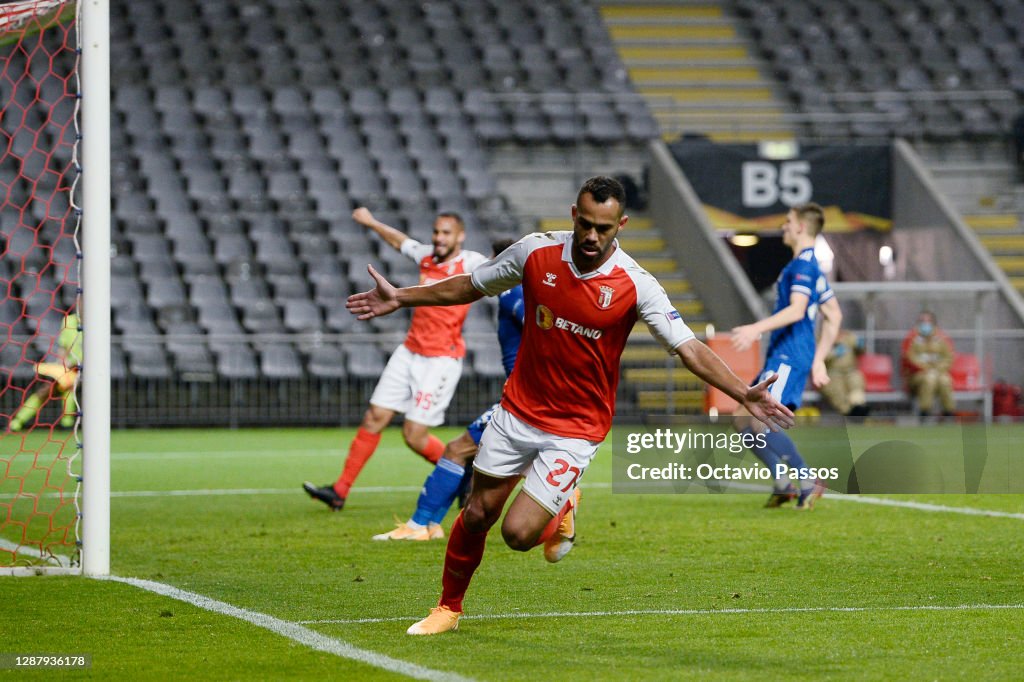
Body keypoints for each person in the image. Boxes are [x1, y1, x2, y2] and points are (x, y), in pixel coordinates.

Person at [346, 176, 795, 635]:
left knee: (518, 536)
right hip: (517, 410)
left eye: (605, 228)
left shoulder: (636, 284)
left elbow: (687, 345)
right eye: (586, 224)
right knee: (478, 512)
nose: (593, 237)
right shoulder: (534, 253)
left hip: (576, 429)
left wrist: (742, 392)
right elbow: (469, 286)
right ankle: (448, 609)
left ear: (620, 225)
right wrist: (401, 296)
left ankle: (563, 504)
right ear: (574, 215)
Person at [303, 208, 488, 511]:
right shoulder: (427, 256)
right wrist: (372, 222)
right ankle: (339, 491)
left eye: (446, 233)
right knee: (374, 417)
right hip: (409, 351)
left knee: (414, 436)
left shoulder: (471, 262)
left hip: (441, 360)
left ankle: (463, 468)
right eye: (436, 232)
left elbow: (503, 269)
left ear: (460, 236)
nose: (439, 238)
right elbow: (400, 241)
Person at [373, 239, 525, 542]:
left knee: (459, 452)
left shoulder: (512, 293)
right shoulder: (523, 291)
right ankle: (428, 526)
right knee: (464, 453)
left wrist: (528, 375)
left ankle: (420, 526)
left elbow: (543, 328)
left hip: (525, 399)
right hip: (523, 396)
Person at [731, 202, 842, 510]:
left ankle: (807, 481)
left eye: (788, 221)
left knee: (760, 422)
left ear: (801, 227)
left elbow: (796, 310)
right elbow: (833, 314)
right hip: (788, 354)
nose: (783, 226)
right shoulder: (808, 266)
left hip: (788, 356)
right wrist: (819, 358)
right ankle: (783, 484)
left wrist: (756, 328)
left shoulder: (804, 266)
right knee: (742, 418)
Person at [8, 313, 80, 432]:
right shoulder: (69, 320)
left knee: (60, 389)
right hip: (69, 368)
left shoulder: (96, 322)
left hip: (88, 369)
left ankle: (18, 421)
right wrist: (62, 364)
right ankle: (66, 423)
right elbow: (64, 346)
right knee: (49, 389)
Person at [900, 310, 955, 417]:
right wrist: (926, 368)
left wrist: (937, 369)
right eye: (922, 321)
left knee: (945, 380)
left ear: (933, 322)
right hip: (917, 375)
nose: (925, 323)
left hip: (938, 373)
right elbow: (909, 358)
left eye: (928, 321)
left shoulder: (942, 338)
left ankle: (948, 412)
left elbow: (949, 357)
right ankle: (925, 412)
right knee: (929, 379)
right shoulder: (912, 338)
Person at [819, 329, 870, 417]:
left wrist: (861, 346)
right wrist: (833, 353)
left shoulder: (849, 337)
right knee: (836, 390)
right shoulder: (823, 339)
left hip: (851, 371)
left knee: (856, 382)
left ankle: (858, 405)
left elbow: (861, 351)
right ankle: (848, 411)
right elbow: (817, 358)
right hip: (832, 374)